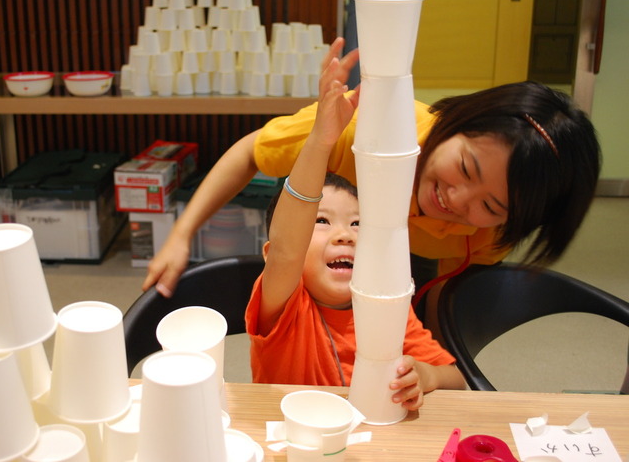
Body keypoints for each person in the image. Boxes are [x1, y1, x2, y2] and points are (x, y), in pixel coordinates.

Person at [142, 37, 602, 307]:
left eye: (491, 204)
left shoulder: (494, 230)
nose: (457, 199)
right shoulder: (362, 125)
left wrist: (432, 363)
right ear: (456, 121)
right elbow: (249, 153)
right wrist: (182, 234)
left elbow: (446, 292)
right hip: (307, 246)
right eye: (465, 167)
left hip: (400, 270)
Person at [244, 67, 465, 409]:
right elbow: (288, 248)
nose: (345, 235)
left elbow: (457, 381)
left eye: (358, 224)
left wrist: (426, 375)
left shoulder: (387, 306)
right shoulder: (287, 309)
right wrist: (321, 141)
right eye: (321, 221)